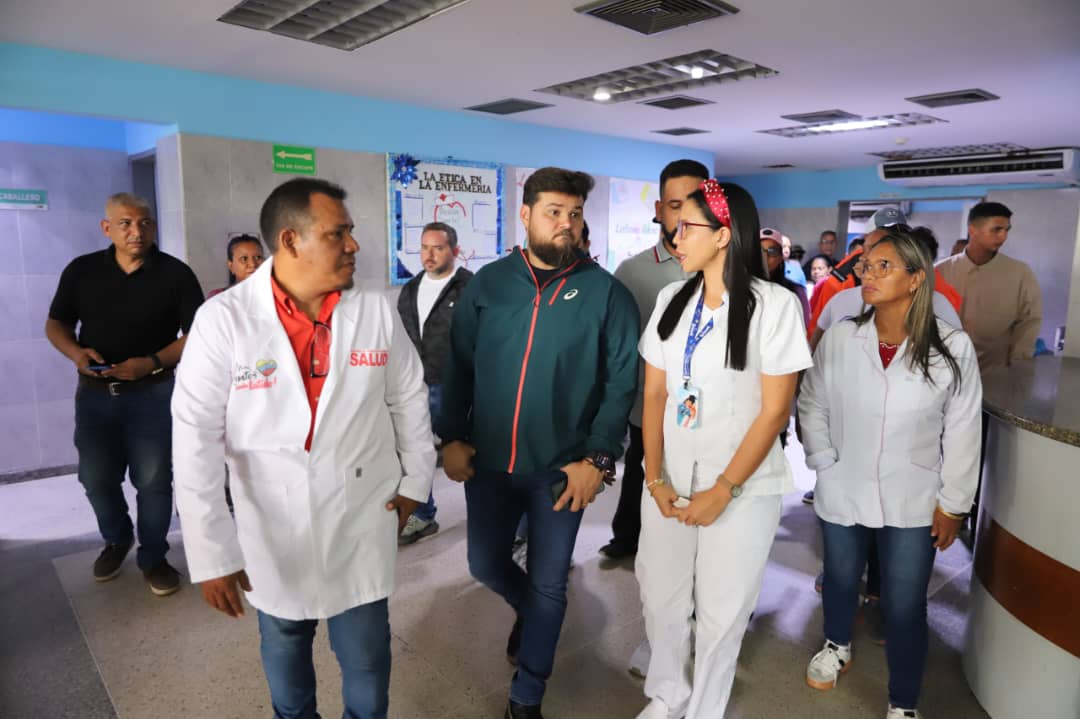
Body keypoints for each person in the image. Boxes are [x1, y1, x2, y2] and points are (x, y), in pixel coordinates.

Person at [172, 178, 435, 719]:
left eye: (350, 232)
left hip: (362, 512)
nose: (354, 245)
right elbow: (195, 436)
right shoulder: (224, 319)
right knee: (285, 641)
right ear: (290, 240)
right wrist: (212, 551)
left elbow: (409, 397)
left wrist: (415, 481)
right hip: (273, 520)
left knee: (366, 655)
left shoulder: (374, 311)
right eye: (338, 234)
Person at [440, 167, 639, 719]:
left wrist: (599, 457)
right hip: (488, 464)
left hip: (561, 470)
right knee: (485, 565)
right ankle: (531, 614)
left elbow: (622, 382)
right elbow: (458, 365)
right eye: (554, 211)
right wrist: (451, 435)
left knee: (551, 584)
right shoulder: (489, 284)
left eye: (574, 213)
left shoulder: (606, 293)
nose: (566, 223)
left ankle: (527, 694)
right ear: (525, 215)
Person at [635, 179, 813, 718]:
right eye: (674, 227)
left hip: (741, 487)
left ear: (722, 235)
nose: (675, 238)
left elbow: (775, 411)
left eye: (686, 227)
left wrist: (724, 489)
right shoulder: (671, 300)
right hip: (669, 477)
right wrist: (654, 477)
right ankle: (667, 694)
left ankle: (704, 710)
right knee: (659, 596)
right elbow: (655, 394)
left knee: (721, 610)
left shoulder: (774, 306)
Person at [798, 229, 982, 719]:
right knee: (840, 577)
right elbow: (811, 400)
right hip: (843, 479)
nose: (869, 275)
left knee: (904, 604)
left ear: (916, 279)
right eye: (866, 265)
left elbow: (964, 429)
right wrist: (823, 459)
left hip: (913, 492)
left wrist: (954, 504)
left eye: (884, 266)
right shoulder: (843, 337)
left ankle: (903, 699)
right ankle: (836, 643)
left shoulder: (951, 346)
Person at [45, 192, 203, 596]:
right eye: (126, 223)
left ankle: (154, 557)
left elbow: (198, 335)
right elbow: (56, 324)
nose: (137, 231)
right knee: (95, 478)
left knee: (153, 481)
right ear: (107, 228)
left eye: (145, 223)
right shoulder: (82, 271)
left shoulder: (176, 274)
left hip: (153, 393)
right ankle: (117, 539)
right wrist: (76, 353)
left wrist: (151, 362)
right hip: (95, 396)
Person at [599, 158, 704, 562]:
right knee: (643, 469)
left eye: (695, 203)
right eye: (675, 205)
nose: (685, 216)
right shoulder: (632, 272)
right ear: (659, 210)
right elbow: (619, 344)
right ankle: (628, 537)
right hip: (651, 401)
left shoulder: (726, 267)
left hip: (708, 405)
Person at [396, 221, 474, 545]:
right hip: (415, 383)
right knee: (416, 450)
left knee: (467, 450)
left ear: (454, 250)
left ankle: (486, 515)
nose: (429, 255)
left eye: (438, 248)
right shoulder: (411, 288)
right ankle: (423, 514)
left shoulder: (470, 287)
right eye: (424, 248)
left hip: (455, 383)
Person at [935, 202, 1042, 376]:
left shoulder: (1019, 273)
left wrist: (1018, 363)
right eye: (996, 230)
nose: (1003, 236)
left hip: (997, 372)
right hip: (946, 371)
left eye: (1007, 230)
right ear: (972, 230)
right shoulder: (941, 272)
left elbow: (1030, 321)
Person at [761, 227, 810, 326]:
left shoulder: (796, 291)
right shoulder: (744, 288)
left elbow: (803, 324)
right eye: (760, 251)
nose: (765, 256)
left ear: (780, 257)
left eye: (772, 251)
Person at [207, 233, 265, 298]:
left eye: (258, 257)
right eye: (244, 258)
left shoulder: (271, 295)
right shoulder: (218, 297)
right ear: (231, 266)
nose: (253, 264)